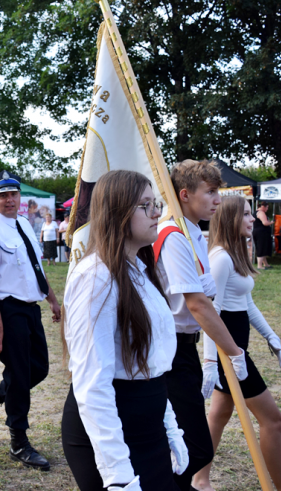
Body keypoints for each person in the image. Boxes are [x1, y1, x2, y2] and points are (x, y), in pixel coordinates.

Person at [63, 170, 188, 491]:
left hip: (148, 422)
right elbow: (92, 383)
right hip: (111, 430)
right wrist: (117, 475)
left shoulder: (140, 269)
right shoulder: (96, 278)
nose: (157, 213)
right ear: (117, 212)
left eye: (155, 203)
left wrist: (170, 426)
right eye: (146, 206)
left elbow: (151, 359)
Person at [152, 159, 249, 491]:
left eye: (217, 192)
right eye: (210, 193)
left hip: (185, 348)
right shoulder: (173, 233)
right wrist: (232, 352)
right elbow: (196, 304)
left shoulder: (193, 231)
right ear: (185, 194)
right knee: (195, 447)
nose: (218, 201)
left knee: (183, 444)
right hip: (170, 350)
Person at [192, 196, 281, 491]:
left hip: (235, 351)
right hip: (230, 354)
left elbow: (246, 303)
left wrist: (270, 335)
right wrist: (212, 362)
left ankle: (198, 480)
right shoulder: (220, 257)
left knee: (219, 415)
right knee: (273, 421)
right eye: (247, 215)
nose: (254, 220)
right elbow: (211, 311)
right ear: (232, 218)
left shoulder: (235, 253)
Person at [0, 171, 62, 471]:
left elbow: (34, 265)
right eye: (3, 195)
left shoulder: (23, 223)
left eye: (14, 194)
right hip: (8, 310)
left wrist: (51, 297)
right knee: (20, 374)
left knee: (40, 369)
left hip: (30, 307)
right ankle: (18, 441)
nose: (10, 200)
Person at [253, 202, 273, 269]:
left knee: (263, 248)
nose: (267, 209)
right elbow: (265, 223)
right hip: (261, 233)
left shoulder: (256, 212)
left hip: (258, 232)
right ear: (263, 206)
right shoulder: (261, 213)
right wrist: (271, 222)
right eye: (267, 207)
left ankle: (266, 264)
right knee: (261, 248)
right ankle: (259, 265)